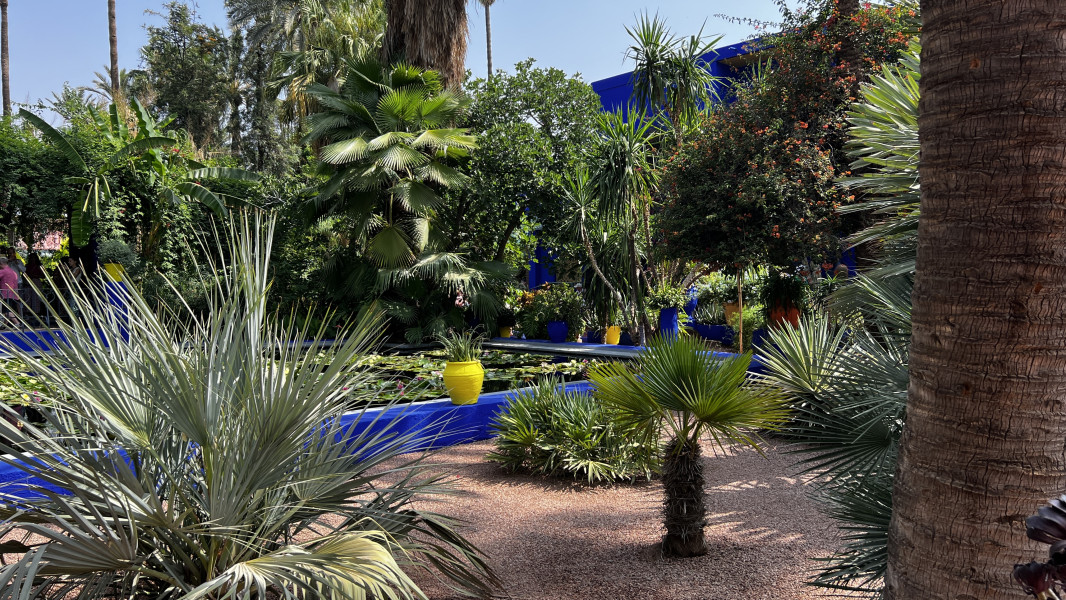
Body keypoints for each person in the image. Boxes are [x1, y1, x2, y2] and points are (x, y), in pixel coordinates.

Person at [0, 257, 19, 326]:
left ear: (1, 264)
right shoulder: (13, 272)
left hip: (5, 293)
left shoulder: (3, 271)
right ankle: (4, 325)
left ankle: (17, 323)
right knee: (7, 309)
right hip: (13, 293)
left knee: (6, 310)